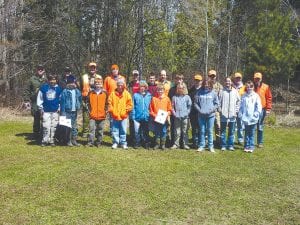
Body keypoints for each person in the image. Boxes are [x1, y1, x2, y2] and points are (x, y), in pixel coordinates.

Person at [194, 79, 219, 152]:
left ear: (210, 84)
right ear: (203, 84)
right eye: (205, 84)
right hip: (201, 115)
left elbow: (217, 103)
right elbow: (195, 103)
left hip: (210, 115)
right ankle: (202, 145)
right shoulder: (199, 93)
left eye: (208, 84)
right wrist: (199, 110)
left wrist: (212, 110)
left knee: (210, 131)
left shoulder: (213, 93)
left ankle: (211, 146)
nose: (206, 85)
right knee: (202, 131)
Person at [36, 74, 62, 146]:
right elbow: (39, 99)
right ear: (49, 80)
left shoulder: (59, 89)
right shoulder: (43, 88)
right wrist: (40, 108)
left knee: (54, 126)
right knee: (46, 126)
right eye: (51, 80)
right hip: (46, 111)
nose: (52, 81)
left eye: (54, 80)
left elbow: (60, 100)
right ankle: (45, 140)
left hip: (55, 111)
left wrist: (59, 108)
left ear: (56, 80)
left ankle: (52, 140)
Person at [23, 64, 47, 140]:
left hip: (45, 102)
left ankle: (44, 134)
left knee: (45, 118)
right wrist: (26, 100)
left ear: (44, 70)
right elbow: (26, 90)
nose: (40, 70)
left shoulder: (47, 79)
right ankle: (36, 134)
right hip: (35, 102)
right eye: (39, 69)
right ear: (36, 70)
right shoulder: (32, 79)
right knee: (36, 118)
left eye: (42, 69)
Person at [108, 79, 133, 149]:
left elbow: (130, 104)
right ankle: (115, 142)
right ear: (117, 86)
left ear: (123, 86)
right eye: (118, 85)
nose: (120, 87)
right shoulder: (112, 94)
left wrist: (126, 112)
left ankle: (123, 143)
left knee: (123, 130)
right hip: (115, 116)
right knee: (115, 130)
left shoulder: (127, 94)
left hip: (123, 116)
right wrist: (112, 111)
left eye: (121, 85)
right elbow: (109, 103)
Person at [80, 62, 102, 138]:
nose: (92, 69)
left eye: (94, 67)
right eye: (91, 67)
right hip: (86, 99)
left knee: (96, 116)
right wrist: (82, 99)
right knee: (86, 117)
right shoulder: (84, 77)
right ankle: (85, 132)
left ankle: (95, 132)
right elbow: (81, 87)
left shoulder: (99, 77)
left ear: (96, 69)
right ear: (89, 68)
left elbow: (101, 88)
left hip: (96, 100)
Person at [239, 81, 262, 153]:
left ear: (253, 87)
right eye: (248, 87)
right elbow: (241, 106)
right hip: (245, 117)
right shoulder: (244, 95)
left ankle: (251, 146)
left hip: (253, 118)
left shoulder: (256, 96)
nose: (249, 88)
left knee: (252, 133)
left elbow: (259, 106)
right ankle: (246, 146)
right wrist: (240, 113)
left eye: (250, 87)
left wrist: (256, 113)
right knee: (246, 133)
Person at [60, 75, 82, 147]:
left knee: (74, 126)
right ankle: (68, 140)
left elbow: (79, 99)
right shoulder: (65, 91)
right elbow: (62, 102)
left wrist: (78, 106)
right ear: (67, 83)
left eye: (73, 82)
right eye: (70, 83)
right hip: (67, 112)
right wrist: (62, 113)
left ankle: (74, 140)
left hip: (74, 112)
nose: (72, 84)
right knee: (67, 127)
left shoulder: (77, 91)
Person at [219, 77, 240, 151]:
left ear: (231, 82)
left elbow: (238, 101)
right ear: (224, 82)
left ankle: (230, 145)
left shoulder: (235, 91)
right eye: (226, 81)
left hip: (232, 115)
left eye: (229, 81)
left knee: (231, 131)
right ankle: (223, 145)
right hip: (223, 115)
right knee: (223, 131)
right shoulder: (221, 91)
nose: (227, 82)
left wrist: (236, 111)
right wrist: (220, 111)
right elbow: (218, 102)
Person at [86, 78, 108, 147]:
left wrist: (105, 111)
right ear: (94, 84)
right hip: (92, 115)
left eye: (100, 83)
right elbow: (87, 103)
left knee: (100, 130)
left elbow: (107, 103)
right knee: (91, 129)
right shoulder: (91, 93)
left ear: (102, 84)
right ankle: (90, 142)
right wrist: (89, 111)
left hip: (102, 115)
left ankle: (99, 142)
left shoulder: (105, 93)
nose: (98, 84)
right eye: (96, 83)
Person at [168, 74, 188, 147]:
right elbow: (169, 101)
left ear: (182, 80)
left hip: (183, 113)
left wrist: (186, 112)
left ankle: (183, 143)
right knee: (174, 128)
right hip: (174, 113)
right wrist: (172, 111)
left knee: (184, 129)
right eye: (177, 79)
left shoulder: (185, 88)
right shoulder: (172, 89)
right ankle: (174, 143)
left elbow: (187, 101)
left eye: (180, 79)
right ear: (175, 80)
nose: (179, 80)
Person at [149, 84, 172, 150]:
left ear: (164, 90)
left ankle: (163, 145)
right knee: (157, 131)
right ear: (157, 90)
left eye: (161, 90)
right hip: (156, 119)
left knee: (163, 131)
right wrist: (155, 116)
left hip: (164, 119)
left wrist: (167, 115)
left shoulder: (167, 99)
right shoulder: (154, 98)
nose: (160, 91)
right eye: (158, 90)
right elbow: (151, 110)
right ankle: (157, 144)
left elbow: (169, 109)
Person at [131, 81, 152, 149]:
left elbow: (151, 106)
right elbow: (133, 106)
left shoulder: (149, 95)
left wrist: (150, 114)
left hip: (146, 116)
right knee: (137, 131)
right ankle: (137, 143)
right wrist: (133, 115)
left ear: (146, 87)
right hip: (137, 116)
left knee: (145, 131)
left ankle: (146, 143)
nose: (142, 88)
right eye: (141, 86)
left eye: (144, 87)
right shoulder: (135, 95)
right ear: (139, 87)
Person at [253, 72, 272, 148]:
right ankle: (251, 142)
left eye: (258, 78)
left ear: (261, 79)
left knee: (260, 126)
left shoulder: (266, 87)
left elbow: (269, 98)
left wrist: (268, 109)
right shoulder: (251, 86)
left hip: (262, 109)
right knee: (252, 126)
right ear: (254, 79)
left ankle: (260, 142)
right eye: (256, 78)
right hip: (253, 110)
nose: (257, 80)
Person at [170, 83, 192, 150]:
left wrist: (187, 113)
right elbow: (172, 107)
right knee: (177, 131)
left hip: (185, 117)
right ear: (177, 89)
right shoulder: (174, 97)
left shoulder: (187, 97)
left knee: (185, 131)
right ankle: (176, 144)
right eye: (179, 88)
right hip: (177, 117)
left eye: (182, 88)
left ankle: (185, 144)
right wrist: (174, 114)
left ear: (184, 89)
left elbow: (189, 106)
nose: (180, 89)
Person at [208, 69, 223, 147]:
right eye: (211, 76)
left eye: (213, 76)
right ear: (208, 76)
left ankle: (218, 141)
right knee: (208, 126)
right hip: (208, 109)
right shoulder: (206, 85)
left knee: (217, 125)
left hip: (216, 109)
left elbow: (221, 98)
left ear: (216, 76)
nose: (212, 77)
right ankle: (207, 140)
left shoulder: (219, 86)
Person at [188, 74, 203, 149]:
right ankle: (194, 142)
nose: (197, 82)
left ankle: (201, 142)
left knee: (201, 128)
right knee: (194, 128)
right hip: (193, 113)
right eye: (196, 80)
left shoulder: (203, 90)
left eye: (199, 80)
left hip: (201, 113)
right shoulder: (190, 90)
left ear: (201, 81)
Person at [232, 72, 245, 144]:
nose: (238, 79)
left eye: (239, 78)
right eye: (236, 78)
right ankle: (233, 139)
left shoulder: (244, 87)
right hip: (233, 109)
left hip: (241, 109)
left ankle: (240, 139)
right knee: (233, 124)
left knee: (240, 125)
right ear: (234, 78)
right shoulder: (231, 86)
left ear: (241, 78)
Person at [128, 70, 140, 146]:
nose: (135, 76)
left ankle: (138, 138)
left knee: (139, 122)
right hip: (131, 105)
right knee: (131, 122)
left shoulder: (141, 84)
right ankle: (131, 138)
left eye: (136, 75)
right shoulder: (130, 84)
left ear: (138, 75)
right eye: (134, 75)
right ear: (132, 76)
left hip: (138, 105)